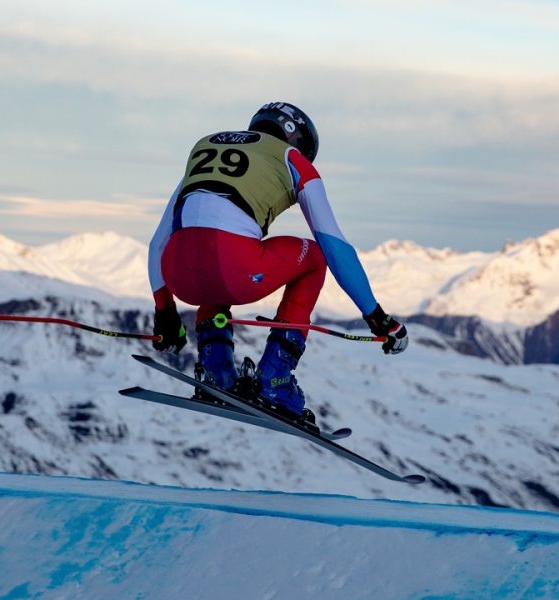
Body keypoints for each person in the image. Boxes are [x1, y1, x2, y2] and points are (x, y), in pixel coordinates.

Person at [147, 102, 408, 421]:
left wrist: (165, 311)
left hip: (178, 274)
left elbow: (158, 242)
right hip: (233, 269)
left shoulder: (206, 147)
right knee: (314, 257)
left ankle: (217, 373)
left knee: (212, 267)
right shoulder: (292, 159)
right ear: (298, 140)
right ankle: (275, 380)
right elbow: (335, 245)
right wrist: (378, 317)